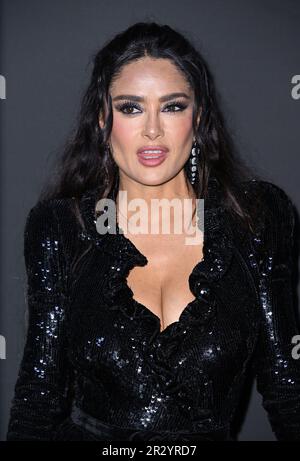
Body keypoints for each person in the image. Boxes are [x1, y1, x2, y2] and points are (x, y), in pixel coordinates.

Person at [7, 21, 300, 441]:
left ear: (198, 118)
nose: (152, 130)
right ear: (103, 120)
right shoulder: (60, 227)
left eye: (172, 106)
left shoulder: (255, 217)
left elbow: (287, 385)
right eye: (131, 107)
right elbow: (38, 397)